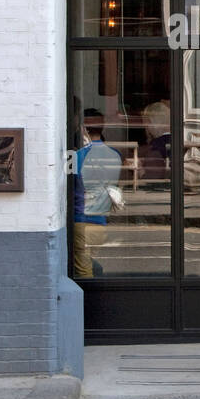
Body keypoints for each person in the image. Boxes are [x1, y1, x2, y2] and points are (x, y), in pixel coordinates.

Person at [72, 108, 122, 279]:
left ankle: (89, 297)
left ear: (83, 128)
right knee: (89, 265)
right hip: (100, 222)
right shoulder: (115, 155)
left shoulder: (78, 156)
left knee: (83, 272)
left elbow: (72, 186)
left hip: (81, 221)